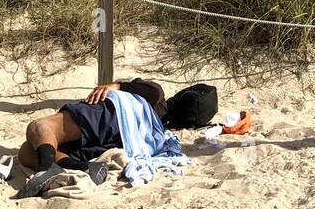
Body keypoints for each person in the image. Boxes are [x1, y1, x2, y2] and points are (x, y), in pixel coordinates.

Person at [18, 77, 197, 196]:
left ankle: (44, 170)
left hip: (112, 114)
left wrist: (116, 86)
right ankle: (81, 167)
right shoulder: (159, 135)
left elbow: (154, 90)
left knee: (40, 126)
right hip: (121, 141)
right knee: (28, 151)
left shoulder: (159, 99)